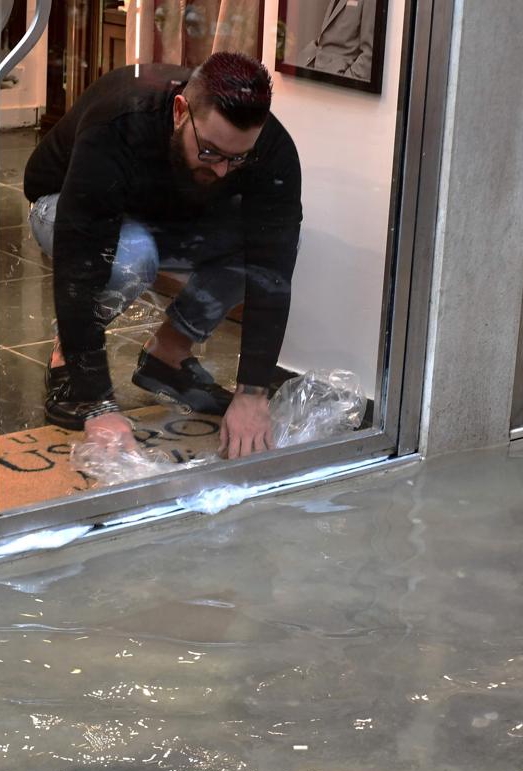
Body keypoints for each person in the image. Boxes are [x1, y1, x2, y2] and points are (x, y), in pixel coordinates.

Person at [23, 52, 303, 460]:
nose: (224, 170)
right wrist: (98, 403)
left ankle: (167, 357)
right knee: (133, 255)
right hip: (62, 205)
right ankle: (66, 356)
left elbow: (271, 268)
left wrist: (252, 394)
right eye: (210, 151)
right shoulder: (119, 121)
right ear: (179, 111)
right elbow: (79, 264)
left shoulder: (272, 148)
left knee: (271, 239)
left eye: (236, 158)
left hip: (165, 214)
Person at [298, 0, 377, 81]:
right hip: (313, 72)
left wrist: (346, 82)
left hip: (335, 83)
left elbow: (370, 54)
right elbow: (329, 37)